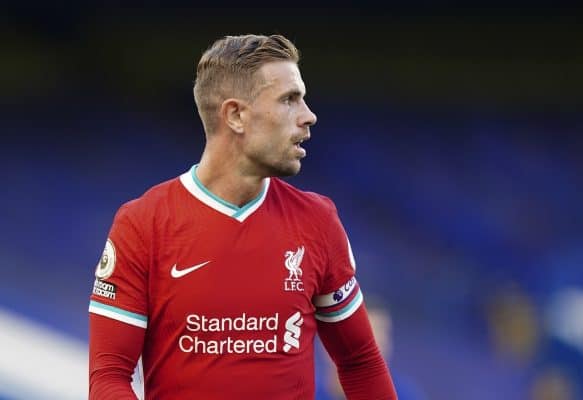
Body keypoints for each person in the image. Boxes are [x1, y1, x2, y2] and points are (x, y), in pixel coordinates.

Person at [88, 33, 397, 399]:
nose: (308, 116)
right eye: (289, 100)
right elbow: (108, 378)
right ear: (235, 115)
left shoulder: (318, 221)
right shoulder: (144, 224)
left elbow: (360, 362)